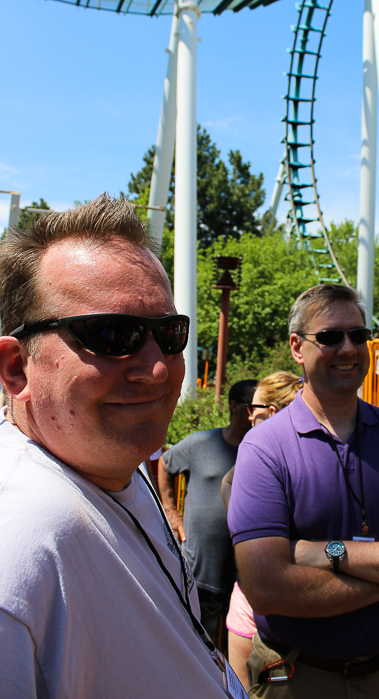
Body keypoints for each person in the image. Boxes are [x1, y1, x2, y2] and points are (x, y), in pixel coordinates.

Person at [0, 195, 235, 698]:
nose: (156, 369)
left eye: (169, 335)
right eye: (111, 334)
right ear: (17, 366)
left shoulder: (117, 469)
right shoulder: (18, 546)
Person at [228, 284, 379, 698]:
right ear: (296, 348)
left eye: (358, 335)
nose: (348, 348)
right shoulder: (264, 448)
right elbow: (266, 588)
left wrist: (328, 552)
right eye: (329, 337)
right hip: (297, 675)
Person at [158, 379, 257, 642]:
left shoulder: (264, 451)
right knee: (198, 645)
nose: (257, 413)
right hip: (203, 572)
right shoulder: (201, 443)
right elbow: (165, 463)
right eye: (251, 406)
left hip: (245, 577)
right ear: (233, 406)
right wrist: (171, 512)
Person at [221, 371, 302, 687]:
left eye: (254, 407)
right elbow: (229, 482)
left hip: (281, 606)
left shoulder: (265, 452)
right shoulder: (253, 451)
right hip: (253, 600)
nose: (248, 413)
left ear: (273, 411)